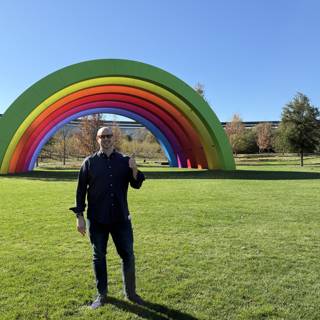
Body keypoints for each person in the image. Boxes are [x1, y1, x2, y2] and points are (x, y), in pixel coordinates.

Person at [70, 126, 145, 309]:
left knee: (127, 255)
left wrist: (134, 169)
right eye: (102, 136)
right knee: (99, 257)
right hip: (97, 219)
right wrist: (79, 216)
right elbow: (80, 192)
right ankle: (102, 295)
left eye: (109, 135)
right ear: (97, 139)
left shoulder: (124, 161)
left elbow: (136, 184)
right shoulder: (89, 163)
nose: (106, 139)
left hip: (121, 218)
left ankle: (131, 294)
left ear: (114, 138)